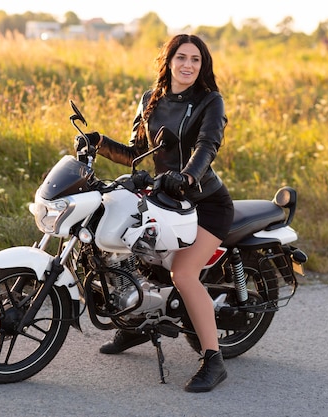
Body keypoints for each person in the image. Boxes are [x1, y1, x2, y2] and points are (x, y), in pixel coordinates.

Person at [75, 34, 234, 393]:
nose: (188, 65)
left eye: (196, 59)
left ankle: (213, 359)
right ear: (169, 61)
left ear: (202, 65)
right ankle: (134, 326)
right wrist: (98, 144)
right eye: (182, 58)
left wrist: (187, 176)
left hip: (203, 203)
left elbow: (207, 146)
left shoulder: (210, 101)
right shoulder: (151, 100)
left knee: (182, 273)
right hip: (163, 197)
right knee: (129, 252)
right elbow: (136, 154)